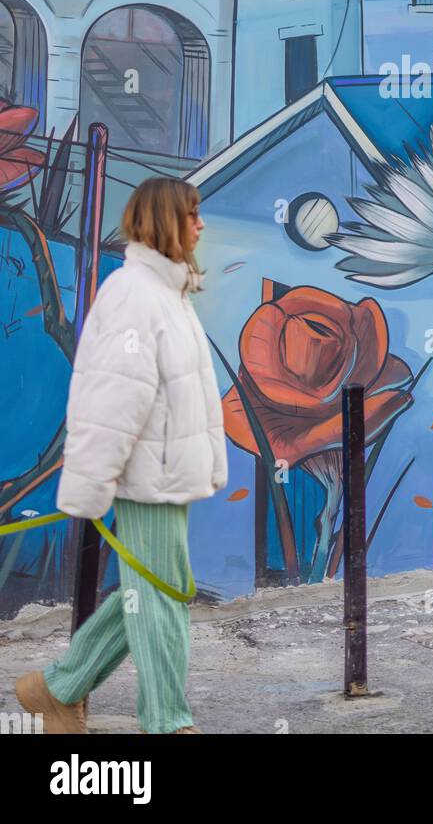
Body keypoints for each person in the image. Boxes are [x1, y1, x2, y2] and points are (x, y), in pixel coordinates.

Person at [15, 177, 227, 735]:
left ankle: (58, 687)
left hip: (166, 472)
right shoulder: (136, 295)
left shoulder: (163, 292)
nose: (201, 225)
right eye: (191, 215)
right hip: (148, 474)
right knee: (159, 597)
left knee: (150, 589)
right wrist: (92, 480)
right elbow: (113, 396)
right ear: (164, 222)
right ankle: (166, 723)